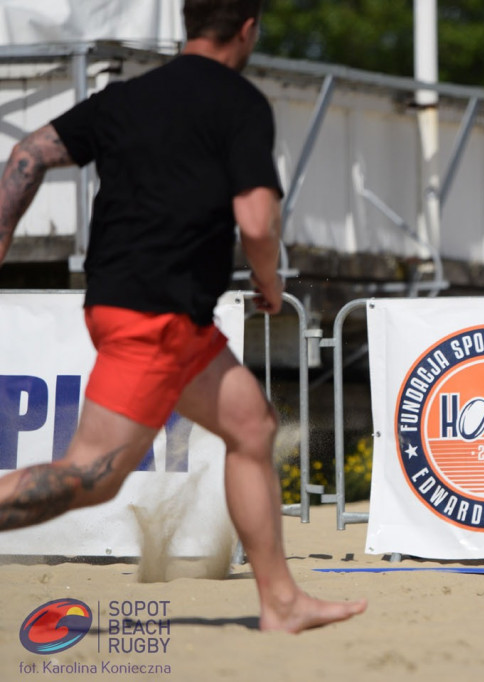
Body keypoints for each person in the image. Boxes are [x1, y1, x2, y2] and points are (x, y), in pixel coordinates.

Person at [0, 0, 366, 632]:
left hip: (167, 317)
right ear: (248, 28)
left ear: (187, 23)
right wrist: (270, 278)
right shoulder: (241, 103)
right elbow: (256, 220)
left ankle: (280, 603)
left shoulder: (127, 96)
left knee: (252, 428)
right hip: (154, 315)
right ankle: (279, 601)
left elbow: (29, 154)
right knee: (93, 476)